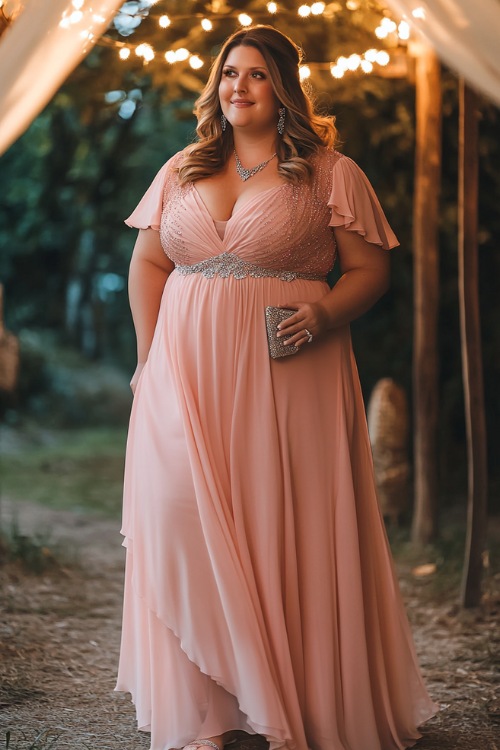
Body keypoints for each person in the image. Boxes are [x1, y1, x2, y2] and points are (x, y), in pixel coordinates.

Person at [116, 24, 437, 750]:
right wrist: (147, 356)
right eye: (229, 73)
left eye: (256, 74)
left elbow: (370, 271)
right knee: (178, 516)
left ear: (284, 86)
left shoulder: (330, 172)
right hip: (182, 372)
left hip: (290, 374)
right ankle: (207, 712)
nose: (238, 86)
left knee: (276, 525)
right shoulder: (184, 167)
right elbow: (148, 264)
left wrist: (323, 313)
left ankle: (284, 703)